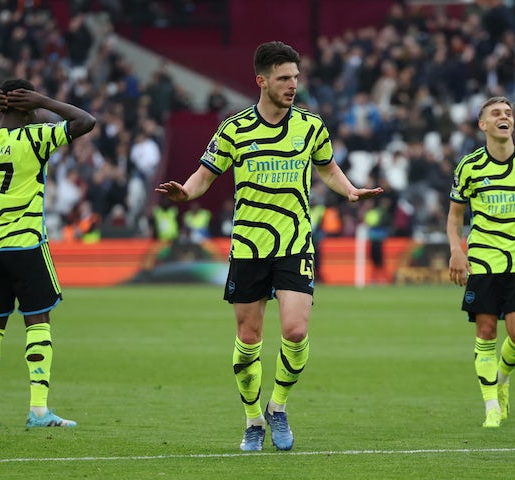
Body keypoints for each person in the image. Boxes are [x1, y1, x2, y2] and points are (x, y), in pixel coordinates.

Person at [155, 41, 383, 451]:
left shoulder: (311, 127)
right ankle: (252, 419)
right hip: (248, 246)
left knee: (295, 331)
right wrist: (184, 193)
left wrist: (349, 191)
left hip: (295, 241)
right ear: (261, 81)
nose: (293, 85)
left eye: (295, 77)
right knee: (249, 338)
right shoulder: (234, 129)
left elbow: (328, 168)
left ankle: (278, 407)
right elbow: (204, 176)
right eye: (283, 79)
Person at [0, 79, 96, 427]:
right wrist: (45, 99)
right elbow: (86, 121)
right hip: (27, 244)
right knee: (37, 321)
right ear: (28, 108)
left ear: (0, 106)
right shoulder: (35, 138)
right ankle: (38, 411)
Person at [446, 96, 515, 428]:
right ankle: (491, 404)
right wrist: (456, 251)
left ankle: (502, 379)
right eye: (496, 113)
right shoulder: (469, 166)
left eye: (508, 113)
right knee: (487, 331)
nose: (504, 116)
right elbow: (454, 217)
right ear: (483, 125)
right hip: (482, 262)